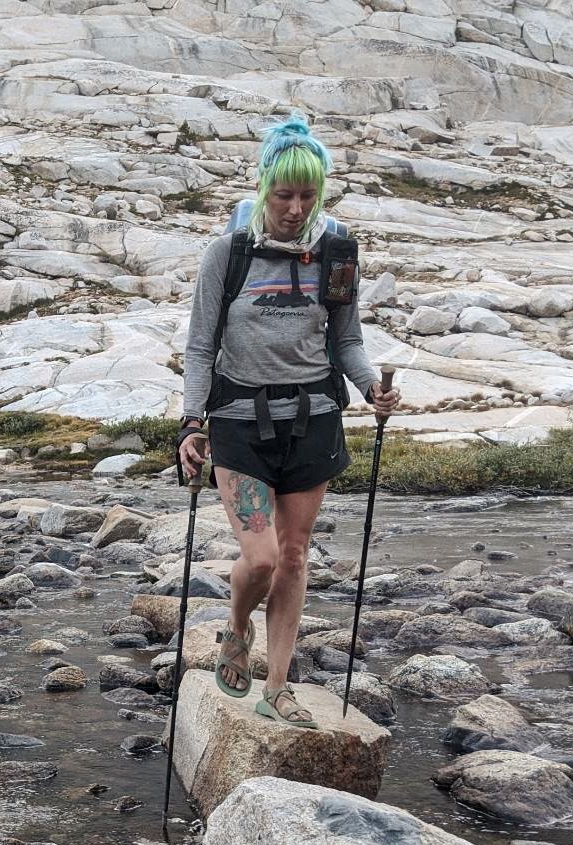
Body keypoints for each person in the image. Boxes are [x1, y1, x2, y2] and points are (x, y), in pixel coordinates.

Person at [176, 115, 400, 729]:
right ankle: (235, 625)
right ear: (263, 188)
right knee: (263, 557)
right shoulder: (230, 252)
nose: (296, 208)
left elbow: (346, 339)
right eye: (284, 195)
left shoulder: (336, 252)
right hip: (239, 420)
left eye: (308, 195)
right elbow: (201, 347)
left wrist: (370, 387)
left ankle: (278, 688)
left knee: (295, 557)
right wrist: (191, 424)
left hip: (314, 419)